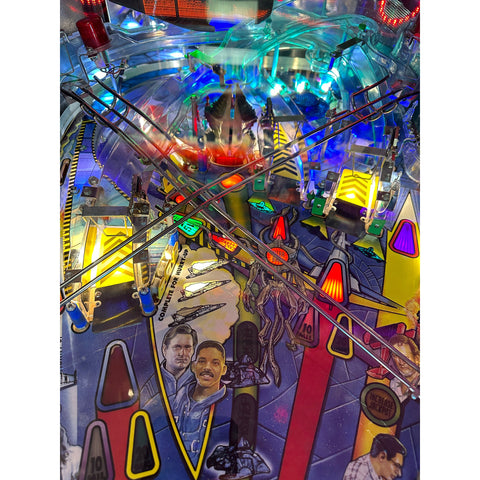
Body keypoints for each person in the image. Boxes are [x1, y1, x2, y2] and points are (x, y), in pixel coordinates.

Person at [172, 340, 228, 464]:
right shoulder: (175, 400)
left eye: (215, 363)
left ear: (223, 369)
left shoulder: (229, 407)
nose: (207, 367)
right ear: (193, 366)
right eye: (202, 361)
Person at [161, 324, 198, 398]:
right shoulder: (152, 379)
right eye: (177, 347)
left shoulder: (199, 381)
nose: (182, 353)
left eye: (187, 347)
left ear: (193, 351)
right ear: (164, 350)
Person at [389, 334, 420, 402]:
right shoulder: (394, 383)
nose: (401, 362)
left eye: (405, 357)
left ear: (417, 358)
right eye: (396, 356)